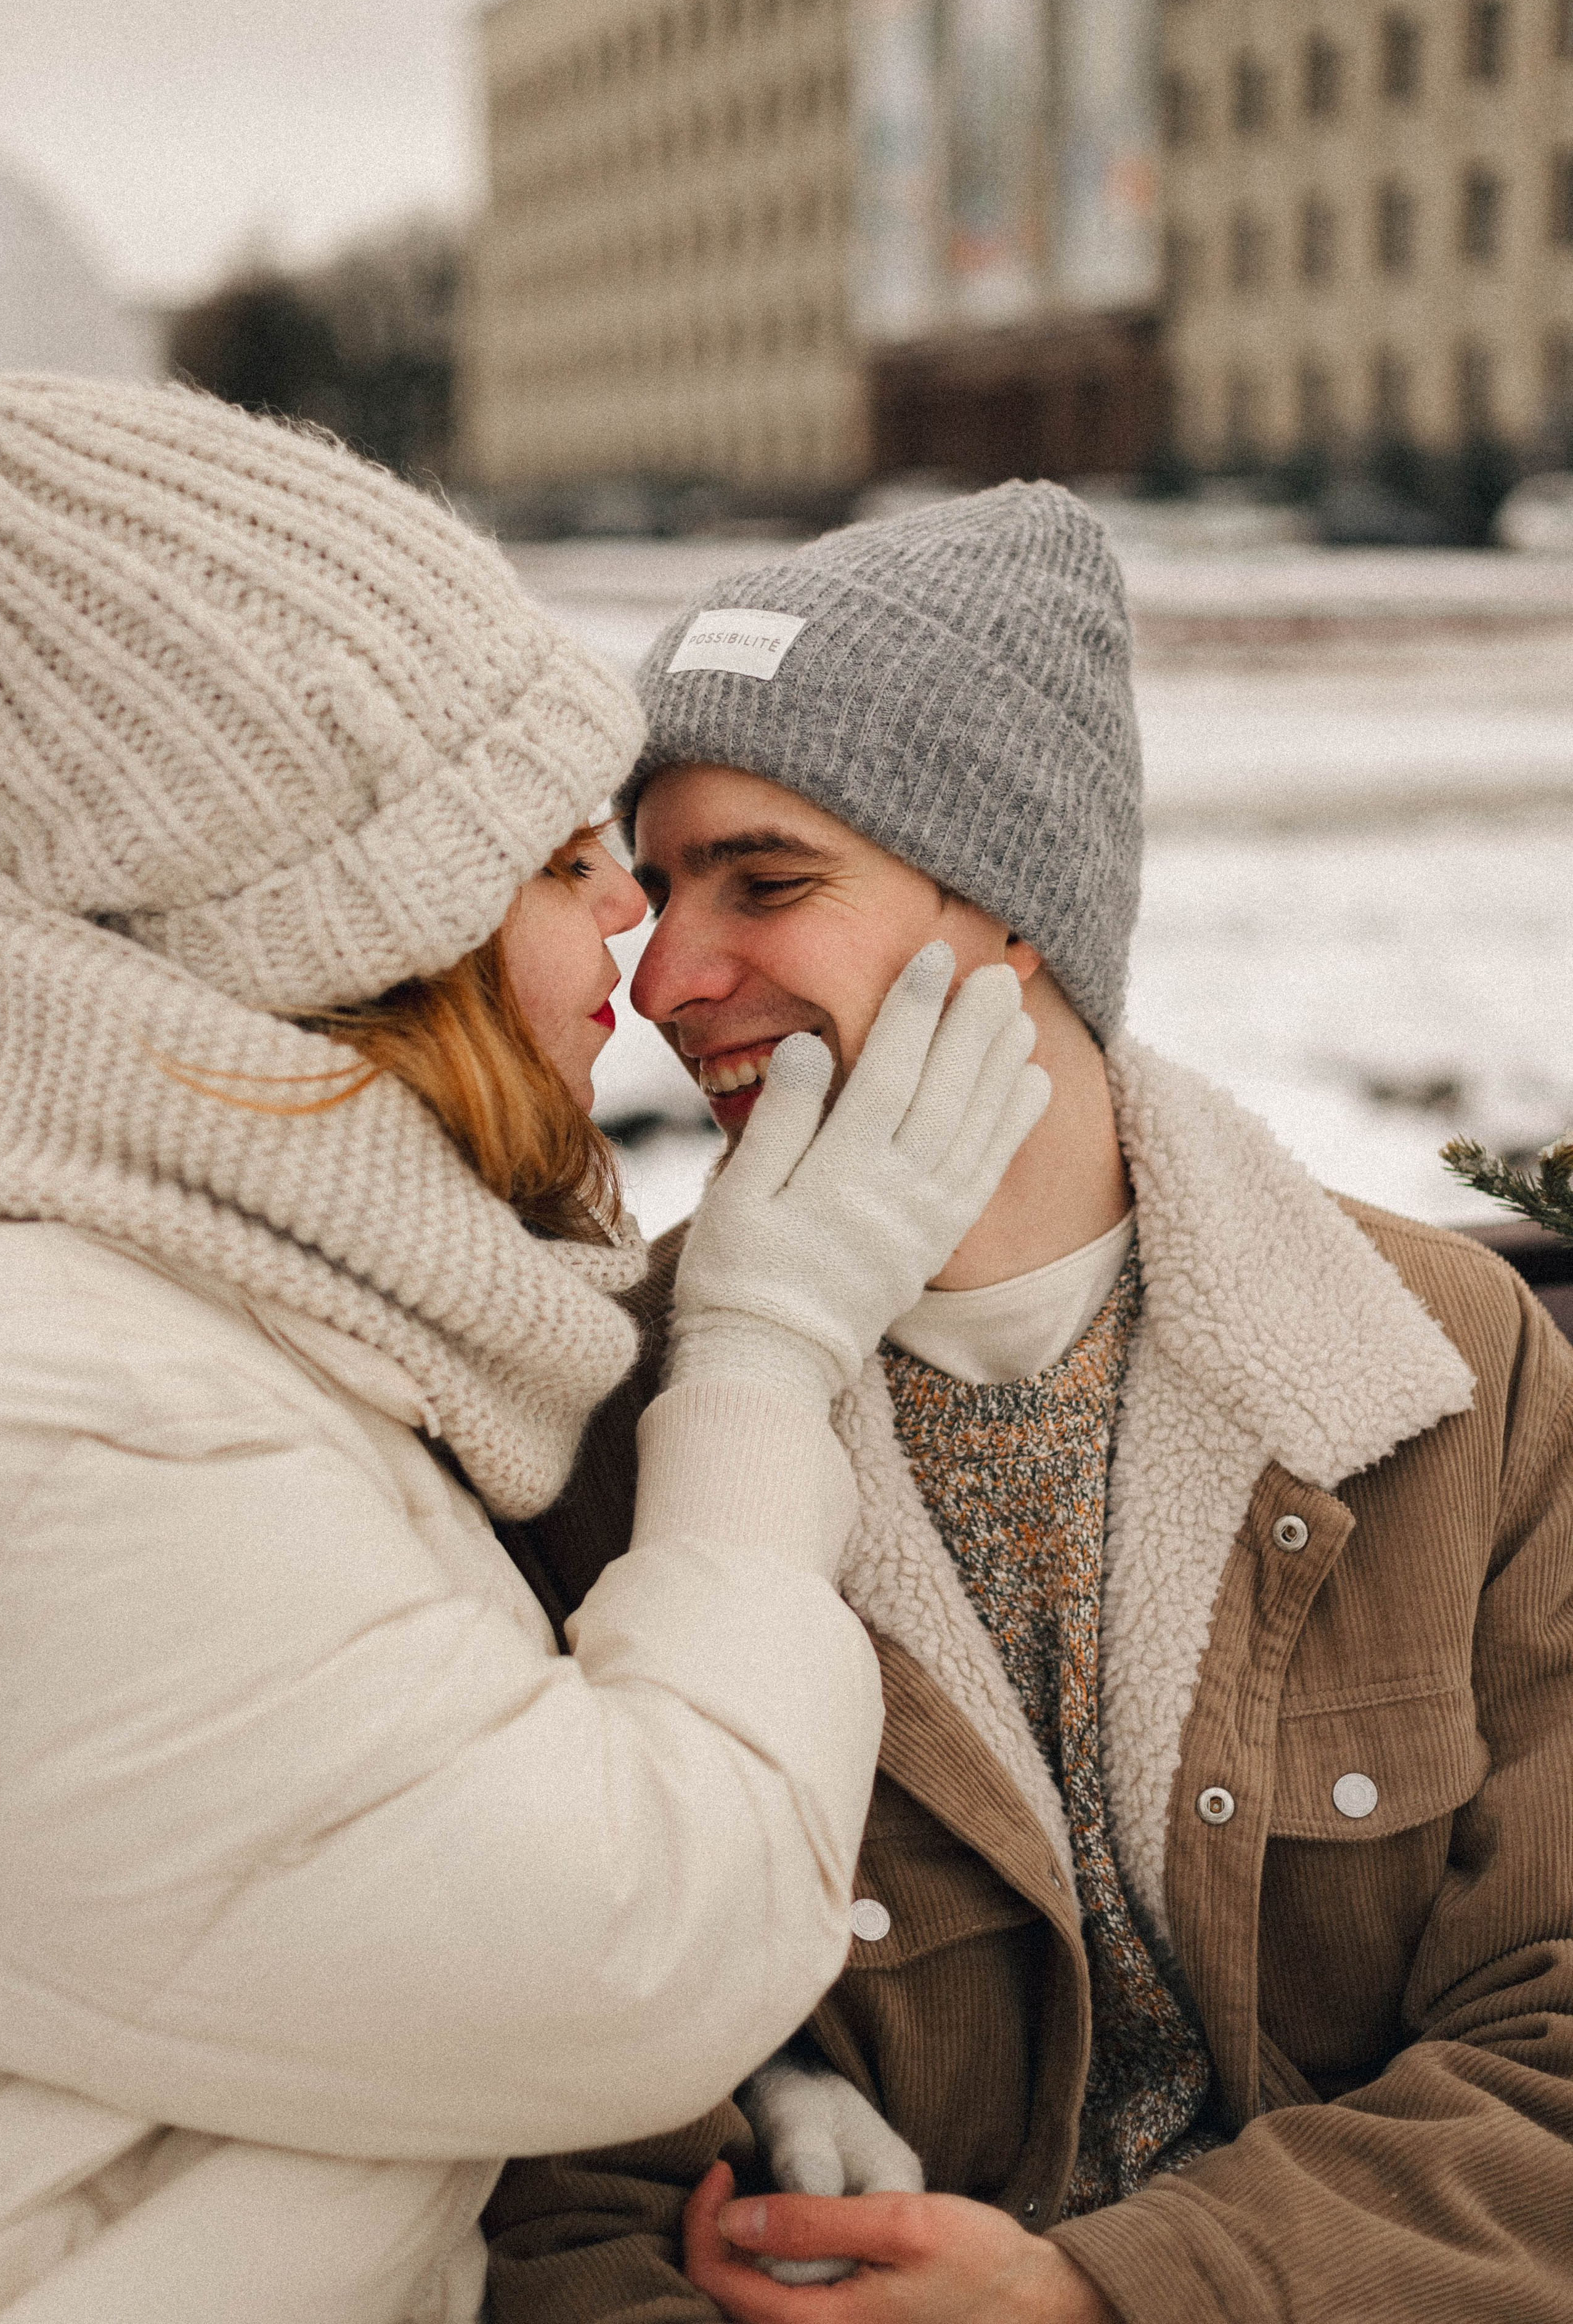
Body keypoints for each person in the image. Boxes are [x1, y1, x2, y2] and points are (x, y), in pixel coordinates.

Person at [0, 381, 1047, 2323]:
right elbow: (631, 1946)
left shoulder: (260, 1330)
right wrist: (759, 1362)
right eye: (568, 861)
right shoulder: (79, 1416)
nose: (640, 932)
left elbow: (344, 1899)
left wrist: (766, 2076)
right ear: (332, 939)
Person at [482, 483, 1573, 2324]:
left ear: (1009, 901)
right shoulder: (597, 1420)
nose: (663, 978)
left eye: (767, 882)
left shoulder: (1442, 1365)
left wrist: (1103, 2299)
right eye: (655, 891)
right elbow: (557, 2185)